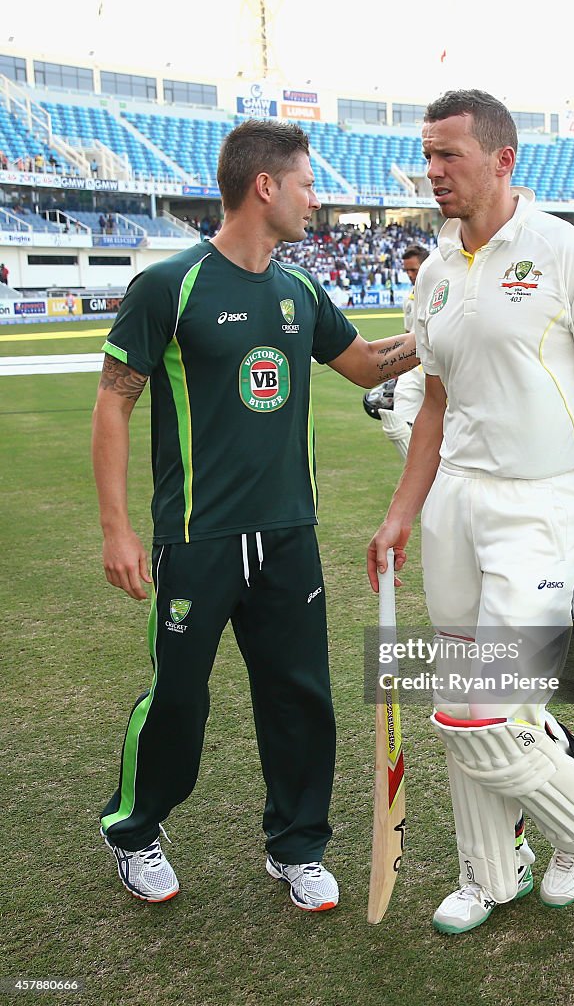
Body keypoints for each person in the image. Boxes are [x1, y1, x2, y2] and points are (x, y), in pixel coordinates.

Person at [367, 90, 574, 934]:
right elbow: (434, 407)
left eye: (449, 155)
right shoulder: (438, 271)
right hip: (455, 502)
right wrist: (402, 511)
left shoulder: (566, 251)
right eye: (428, 154)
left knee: (489, 706)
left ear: (502, 158)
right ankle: (490, 871)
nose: (433, 171)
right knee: (459, 692)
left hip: (544, 504)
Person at [93, 118, 418, 909]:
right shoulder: (169, 286)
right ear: (265, 186)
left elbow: (367, 365)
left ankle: (296, 847)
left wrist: (447, 327)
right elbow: (113, 403)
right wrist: (118, 528)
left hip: (288, 536)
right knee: (178, 698)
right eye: (308, 182)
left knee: (300, 696)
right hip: (196, 538)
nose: (317, 198)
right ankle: (134, 832)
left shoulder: (300, 289)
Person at [377, 244, 430, 458]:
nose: (409, 275)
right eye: (406, 270)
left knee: (445, 430)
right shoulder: (409, 298)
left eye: (414, 270)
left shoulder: (448, 292)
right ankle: (419, 478)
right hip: (413, 368)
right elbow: (408, 334)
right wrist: (397, 367)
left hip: (439, 370)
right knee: (395, 424)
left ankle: (434, 483)